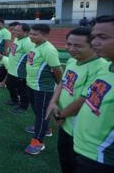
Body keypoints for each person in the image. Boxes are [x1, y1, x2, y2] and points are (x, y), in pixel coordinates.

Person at [44, 27, 107, 173]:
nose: (71, 49)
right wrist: (53, 103)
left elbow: (84, 100)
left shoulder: (100, 67)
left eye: (78, 46)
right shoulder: (72, 61)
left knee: (77, 163)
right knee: (64, 159)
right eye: (69, 44)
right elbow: (62, 82)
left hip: (82, 130)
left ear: (93, 46)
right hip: (65, 123)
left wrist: (61, 114)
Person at [72, 15, 114, 172]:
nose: (94, 42)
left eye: (102, 37)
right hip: (83, 148)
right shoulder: (107, 68)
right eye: (93, 37)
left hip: (101, 160)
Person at [24, 24, 63, 155]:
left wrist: (59, 85)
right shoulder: (35, 46)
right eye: (30, 33)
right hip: (32, 85)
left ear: (45, 35)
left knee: (42, 114)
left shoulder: (49, 49)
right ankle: (45, 129)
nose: (31, 36)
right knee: (37, 111)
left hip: (43, 88)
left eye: (35, 34)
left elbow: (57, 69)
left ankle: (38, 142)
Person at [7, 22, 35, 114]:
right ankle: (14, 100)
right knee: (9, 84)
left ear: (26, 32)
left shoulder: (27, 42)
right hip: (12, 70)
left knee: (22, 90)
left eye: (18, 31)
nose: (15, 32)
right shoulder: (17, 39)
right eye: (14, 30)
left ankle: (23, 107)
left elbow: (31, 58)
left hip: (20, 72)